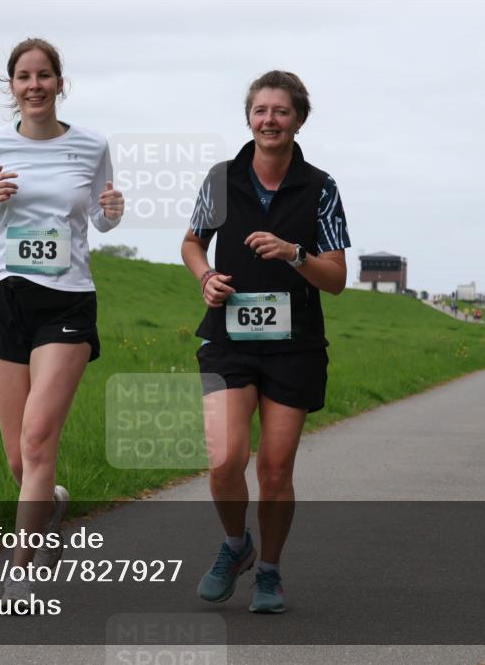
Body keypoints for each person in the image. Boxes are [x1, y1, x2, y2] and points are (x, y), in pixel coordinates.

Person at [0, 38, 124, 608]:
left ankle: (21, 567)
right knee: (18, 460)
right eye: (23, 76)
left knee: (38, 435)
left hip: (67, 301)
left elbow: (99, 220)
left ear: (59, 83)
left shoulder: (92, 145)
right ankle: (50, 503)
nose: (34, 85)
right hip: (4, 296)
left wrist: (112, 213)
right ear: (11, 86)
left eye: (43, 75)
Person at [181, 70, 350, 614]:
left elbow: (338, 276)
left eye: (281, 111)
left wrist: (295, 253)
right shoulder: (221, 179)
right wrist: (205, 276)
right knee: (226, 456)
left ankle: (271, 572)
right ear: (248, 117)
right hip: (229, 339)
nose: (269, 120)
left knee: (276, 468)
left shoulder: (321, 187)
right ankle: (236, 545)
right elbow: (191, 242)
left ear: (299, 119)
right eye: (261, 110)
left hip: (295, 345)